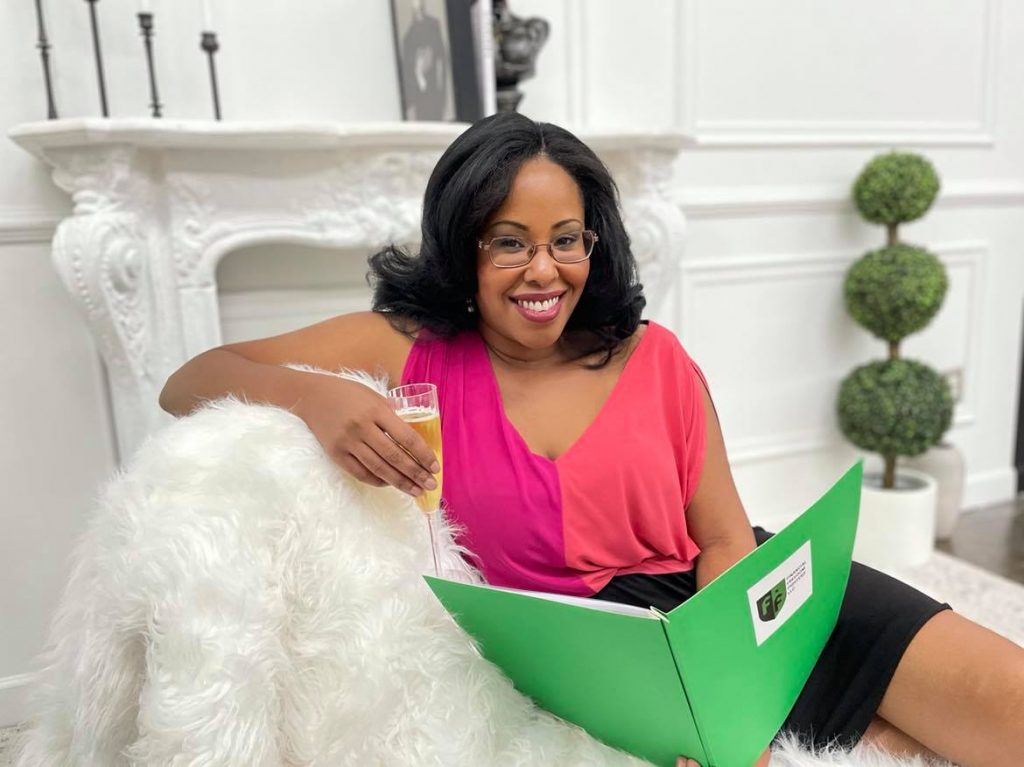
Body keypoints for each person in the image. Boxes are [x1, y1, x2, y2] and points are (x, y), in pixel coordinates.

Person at [160, 112, 1024, 767]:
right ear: (463, 250)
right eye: (509, 243)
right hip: (611, 669)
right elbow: (189, 378)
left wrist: (735, 689)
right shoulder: (407, 349)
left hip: (741, 620)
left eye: (565, 239)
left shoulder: (658, 358)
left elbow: (727, 539)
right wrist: (314, 396)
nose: (544, 270)